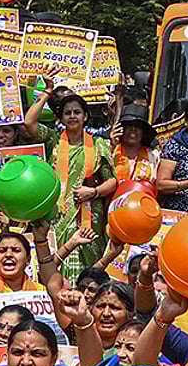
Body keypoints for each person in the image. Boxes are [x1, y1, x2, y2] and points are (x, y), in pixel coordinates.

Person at [23, 86, 117, 282]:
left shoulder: (99, 144)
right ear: (60, 118)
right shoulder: (53, 140)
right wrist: (47, 92)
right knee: (55, 264)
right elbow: (29, 122)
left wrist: (93, 192)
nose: (72, 116)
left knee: (88, 269)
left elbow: (112, 181)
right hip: (57, 215)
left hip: (89, 215)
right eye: (67, 113)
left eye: (77, 112)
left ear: (85, 116)